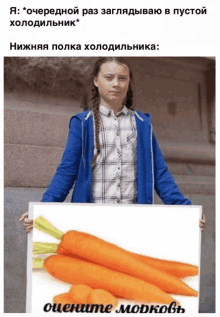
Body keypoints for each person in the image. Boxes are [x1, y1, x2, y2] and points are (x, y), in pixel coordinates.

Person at [20, 57, 206, 232]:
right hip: (91, 221)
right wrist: (42, 211)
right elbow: (66, 172)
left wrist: (187, 210)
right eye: (109, 78)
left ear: (128, 82)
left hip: (134, 221)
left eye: (122, 78)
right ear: (96, 80)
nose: (116, 83)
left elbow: (160, 173)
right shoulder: (83, 123)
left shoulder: (142, 124)